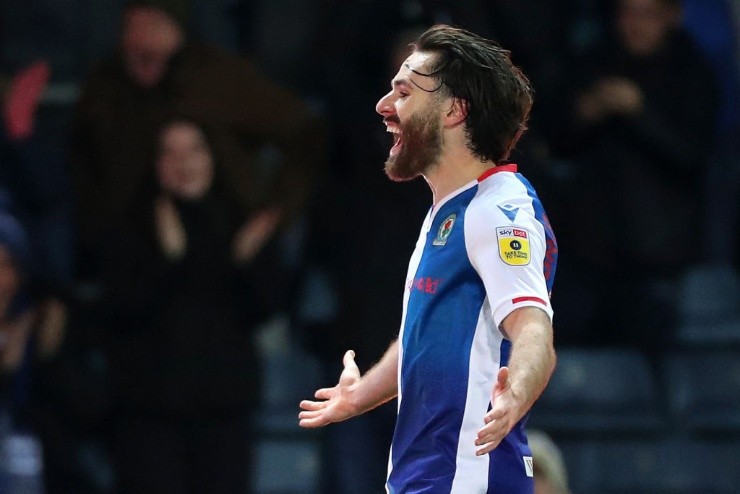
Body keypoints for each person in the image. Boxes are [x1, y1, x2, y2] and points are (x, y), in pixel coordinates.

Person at [299, 25, 558, 493]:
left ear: (455, 110)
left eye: (404, 93)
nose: (384, 106)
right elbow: (422, 338)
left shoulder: (498, 210)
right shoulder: (450, 210)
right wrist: (359, 396)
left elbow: (533, 326)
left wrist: (517, 391)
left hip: (468, 479)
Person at [98, 119, 284, 494]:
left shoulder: (239, 222)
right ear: (155, 164)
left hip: (224, 413)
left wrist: (244, 263)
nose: (183, 162)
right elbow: (120, 307)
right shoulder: (130, 226)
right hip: (150, 415)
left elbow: (265, 307)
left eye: (194, 150)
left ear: (213, 157)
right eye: (170, 153)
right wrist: (167, 260)